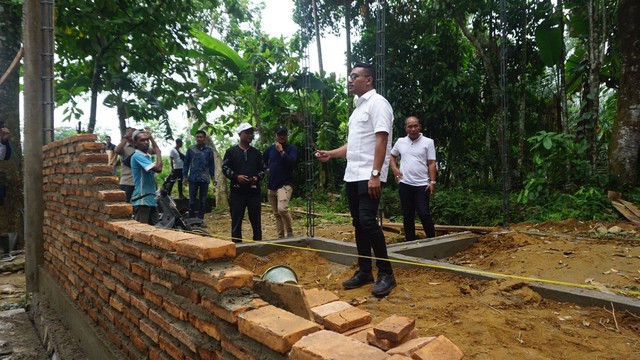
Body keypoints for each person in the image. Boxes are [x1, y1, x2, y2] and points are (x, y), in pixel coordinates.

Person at [315, 62, 396, 297]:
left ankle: (386, 274)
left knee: (368, 221)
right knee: (358, 223)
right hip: (353, 174)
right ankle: (364, 272)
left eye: (354, 76)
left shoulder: (378, 104)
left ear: (368, 79)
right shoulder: (357, 110)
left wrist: (375, 174)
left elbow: (382, 141)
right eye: (349, 76)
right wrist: (331, 154)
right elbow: (354, 146)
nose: (349, 80)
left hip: (368, 175)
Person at [390, 116, 437, 241]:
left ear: (420, 126)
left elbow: (432, 162)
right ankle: (410, 240)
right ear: (405, 128)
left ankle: (432, 240)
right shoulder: (400, 142)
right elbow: (392, 156)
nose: (413, 129)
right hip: (405, 184)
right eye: (410, 126)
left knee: (424, 213)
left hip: (422, 184)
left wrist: (432, 182)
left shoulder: (428, 142)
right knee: (407, 215)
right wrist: (394, 168)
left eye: (415, 126)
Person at [222, 123, 264, 243]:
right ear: (240, 134)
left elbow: (263, 169)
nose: (250, 135)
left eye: (251, 133)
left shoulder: (256, 153)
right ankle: (236, 246)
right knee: (236, 220)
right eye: (247, 133)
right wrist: (236, 177)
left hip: (253, 192)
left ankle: (258, 245)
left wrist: (257, 177)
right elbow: (225, 168)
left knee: (256, 220)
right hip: (237, 192)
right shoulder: (231, 152)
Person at [263, 126, 298, 238]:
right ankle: (280, 237)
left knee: (282, 209)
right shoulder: (269, 149)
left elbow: (292, 163)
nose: (282, 136)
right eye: (279, 134)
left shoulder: (292, 148)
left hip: (285, 185)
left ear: (287, 135)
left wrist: (281, 151)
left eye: (284, 134)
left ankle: (290, 233)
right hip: (272, 186)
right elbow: (262, 161)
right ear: (276, 136)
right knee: (277, 214)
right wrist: (266, 168)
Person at [130, 129, 162, 225]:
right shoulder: (137, 156)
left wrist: (151, 138)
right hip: (142, 200)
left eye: (147, 140)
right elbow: (159, 168)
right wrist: (158, 154)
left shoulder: (146, 156)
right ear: (135, 143)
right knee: (141, 232)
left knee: (157, 229)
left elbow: (156, 148)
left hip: (151, 199)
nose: (146, 142)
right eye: (142, 140)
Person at [183, 130, 216, 222]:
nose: (199, 139)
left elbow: (211, 165)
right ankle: (191, 219)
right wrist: (184, 177)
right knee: (192, 200)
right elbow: (186, 164)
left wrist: (213, 177)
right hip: (193, 178)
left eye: (201, 137)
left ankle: (200, 220)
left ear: (204, 138)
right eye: (197, 137)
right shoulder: (191, 149)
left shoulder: (209, 150)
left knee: (203, 201)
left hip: (204, 179)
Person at [114, 127, 136, 202]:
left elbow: (154, 150)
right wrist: (126, 137)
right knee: (123, 203)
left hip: (140, 182)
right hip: (127, 181)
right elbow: (117, 150)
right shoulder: (124, 147)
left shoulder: (141, 146)